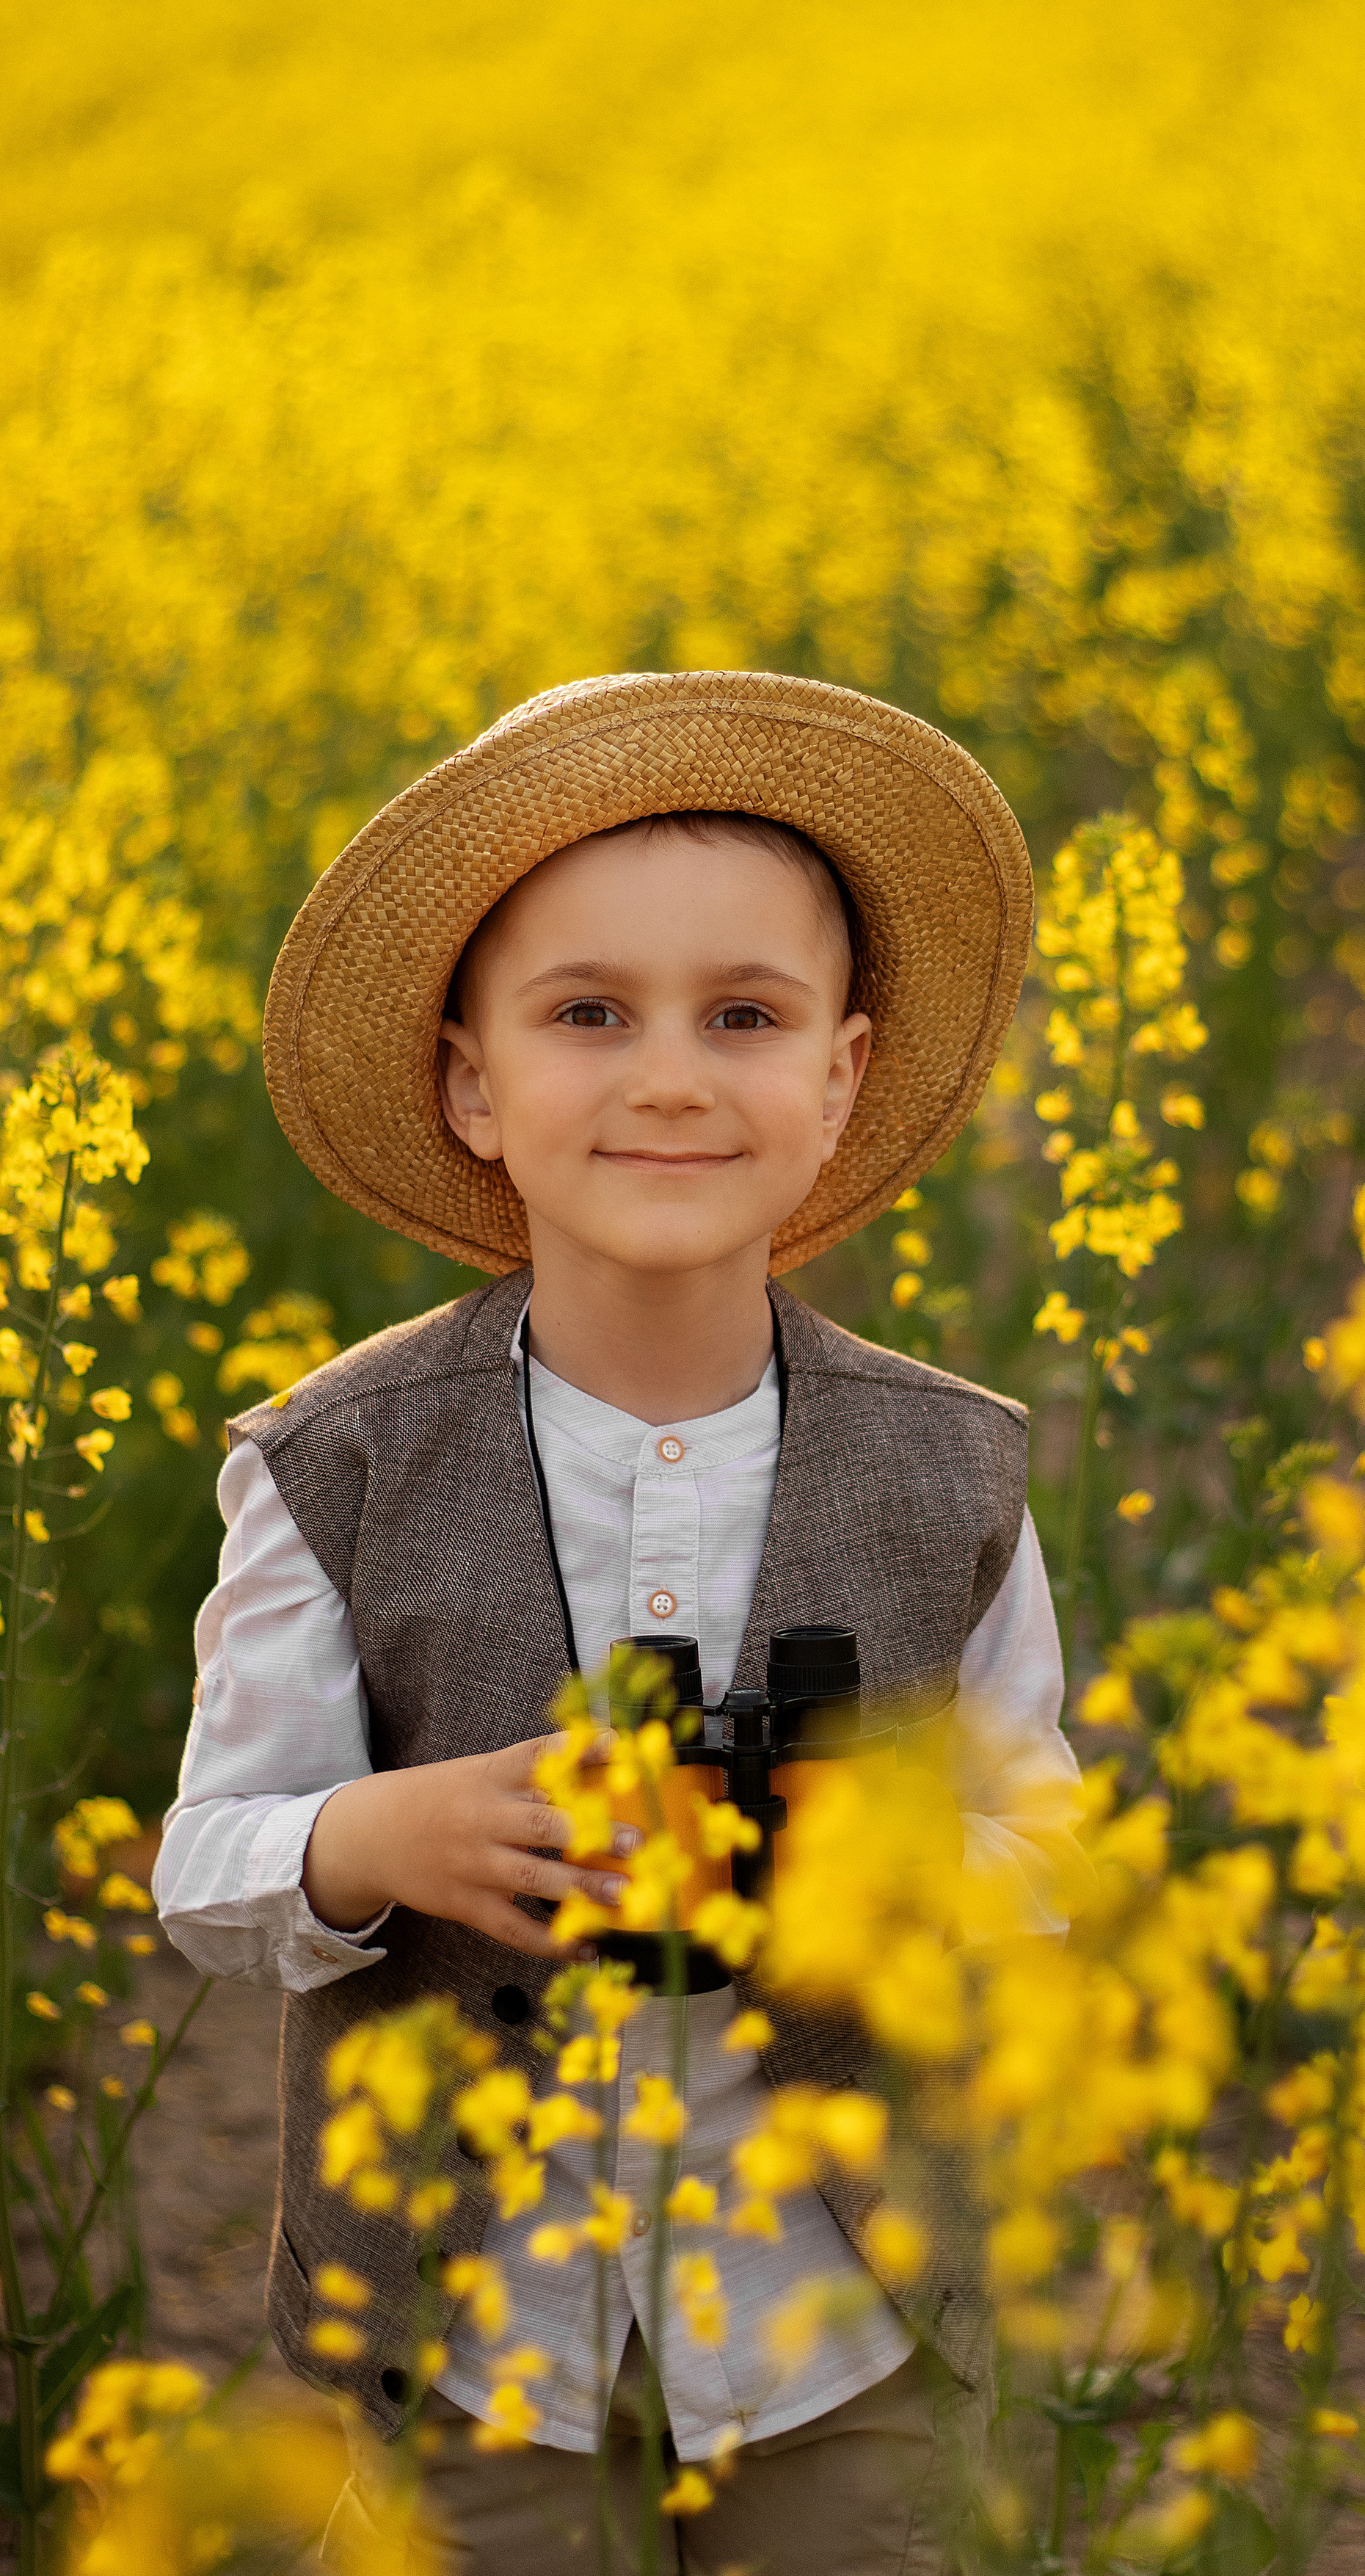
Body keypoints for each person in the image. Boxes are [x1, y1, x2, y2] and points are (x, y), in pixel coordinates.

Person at [155, 669, 1085, 2572]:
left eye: (743, 1017)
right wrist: (382, 1838)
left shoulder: (955, 1474)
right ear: (470, 1082)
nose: (670, 1075)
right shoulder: (333, 1466)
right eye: (589, 1015)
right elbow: (209, 1863)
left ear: (837, 1077)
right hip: (484, 2339)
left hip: (844, 2321)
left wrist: (903, 1874)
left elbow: (1050, 1845)